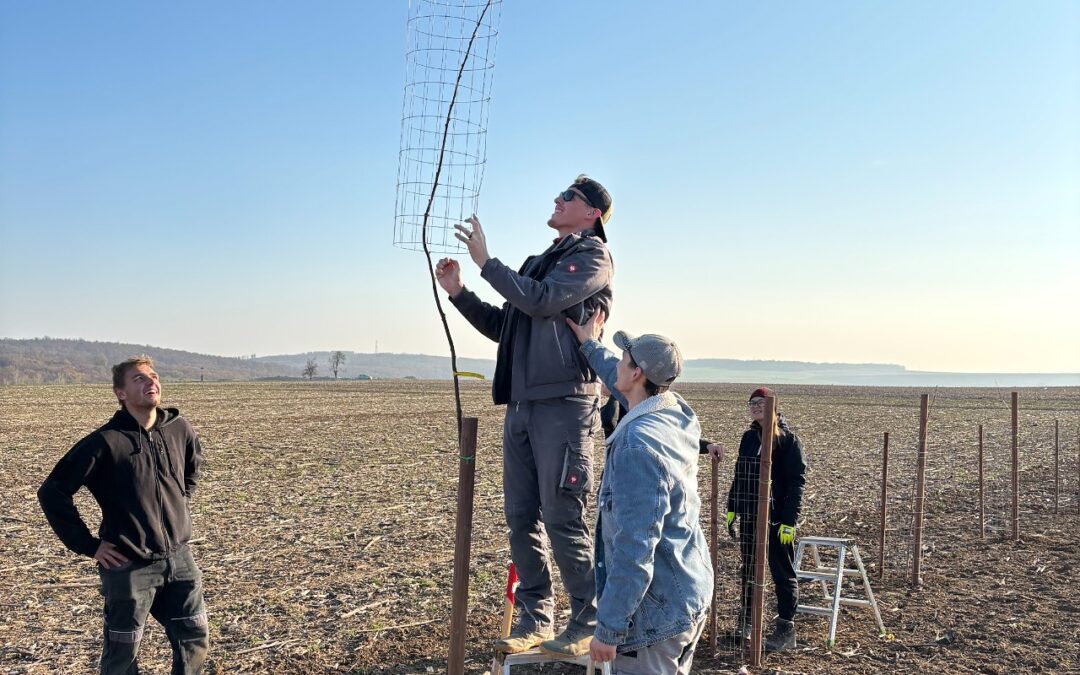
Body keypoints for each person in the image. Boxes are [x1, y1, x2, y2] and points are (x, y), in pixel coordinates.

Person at [435, 175, 614, 656]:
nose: (557, 200)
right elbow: (505, 326)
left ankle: (587, 617)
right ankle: (537, 615)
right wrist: (459, 292)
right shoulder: (539, 261)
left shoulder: (593, 259)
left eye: (569, 197)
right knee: (520, 516)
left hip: (564, 403)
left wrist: (487, 262)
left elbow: (540, 299)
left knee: (562, 515)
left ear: (592, 213)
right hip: (521, 404)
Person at [37, 356, 208, 674]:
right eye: (139, 379)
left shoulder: (179, 428)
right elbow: (53, 491)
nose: (150, 382)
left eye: (153, 376)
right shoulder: (105, 442)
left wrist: (180, 506)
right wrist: (88, 545)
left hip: (180, 560)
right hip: (128, 566)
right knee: (122, 654)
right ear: (121, 393)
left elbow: (191, 471)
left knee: (194, 638)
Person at [564, 311, 713, 674]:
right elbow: (620, 385)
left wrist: (609, 629)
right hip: (686, 593)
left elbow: (635, 548)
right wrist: (588, 344)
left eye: (624, 360)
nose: (617, 365)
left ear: (636, 374)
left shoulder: (636, 447)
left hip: (654, 617)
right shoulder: (675, 413)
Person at [725, 386, 807, 651]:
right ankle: (746, 623)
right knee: (748, 569)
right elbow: (741, 473)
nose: (756, 406)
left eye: (761, 402)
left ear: (773, 405)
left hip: (776, 520)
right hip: (750, 516)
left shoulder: (787, 440)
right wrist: (732, 507)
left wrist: (789, 521)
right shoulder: (749, 438)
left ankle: (785, 629)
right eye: (752, 403)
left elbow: (797, 483)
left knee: (781, 572)